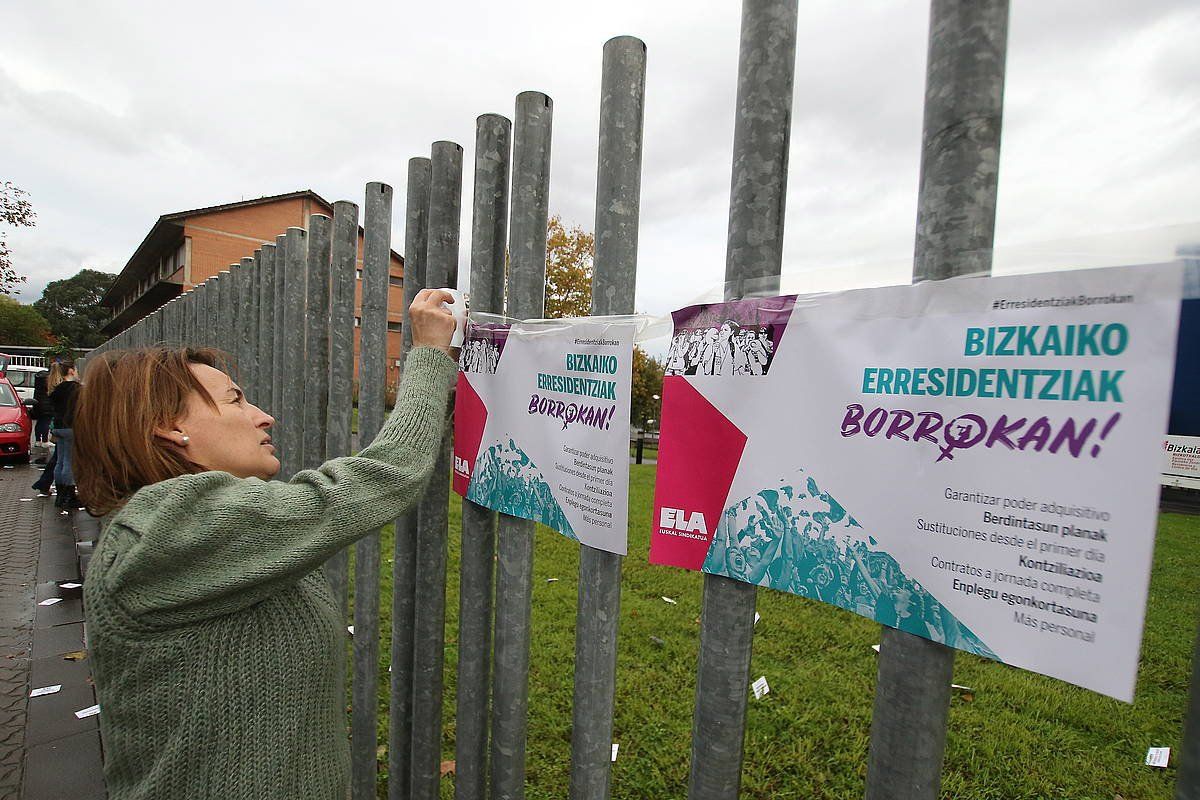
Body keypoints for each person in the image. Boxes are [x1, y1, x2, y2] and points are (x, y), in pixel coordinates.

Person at [74, 289, 457, 800]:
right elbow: (377, 482)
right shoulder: (168, 530)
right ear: (168, 428)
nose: (263, 415)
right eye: (235, 399)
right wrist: (429, 355)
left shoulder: (203, 526)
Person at [47, 361, 81, 508]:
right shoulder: (75, 389)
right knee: (69, 462)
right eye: (76, 369)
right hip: (70, 427)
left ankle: (60, 495)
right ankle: (69, 495)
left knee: (60, 461)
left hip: (59, 427)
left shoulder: (56, 389)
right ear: (71, 371)